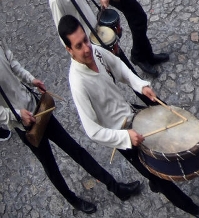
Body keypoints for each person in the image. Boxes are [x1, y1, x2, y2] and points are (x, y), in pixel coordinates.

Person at [58, 16, 199, 217]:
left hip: (132, 112)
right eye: (79, 46)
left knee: (169, 128)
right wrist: (125, 138)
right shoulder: (78, 83)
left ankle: (154, 177)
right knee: (162, 180)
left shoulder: (95, 52)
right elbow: (92, 131)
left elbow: (120, 68)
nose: (86, 48)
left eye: (85, 41)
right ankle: (193, 209)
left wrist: (141, 85)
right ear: (69, 50)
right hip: (122, 133)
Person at [0, 40, 145, 214]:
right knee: (50, 166)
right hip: (23, 125)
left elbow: (12, 64)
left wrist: (31, 80)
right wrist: (16, 115)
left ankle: (115, 188)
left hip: (37, 108)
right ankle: (73, 199)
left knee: (75, 150)